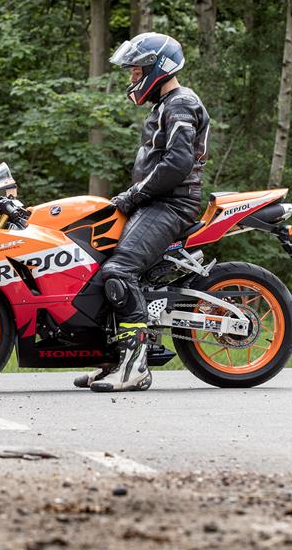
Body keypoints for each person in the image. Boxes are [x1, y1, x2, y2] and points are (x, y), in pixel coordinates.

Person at [76, 32, 210, 392]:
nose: (132, 79)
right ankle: (111, 361)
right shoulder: (164, 105)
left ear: (157, 68)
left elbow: (177, 164)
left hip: (171, 205)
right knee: (96, 264)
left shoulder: (180, 103)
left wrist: (134, 194)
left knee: (120, 271)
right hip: (155, 203)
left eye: (136, 71)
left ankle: (136, 367)